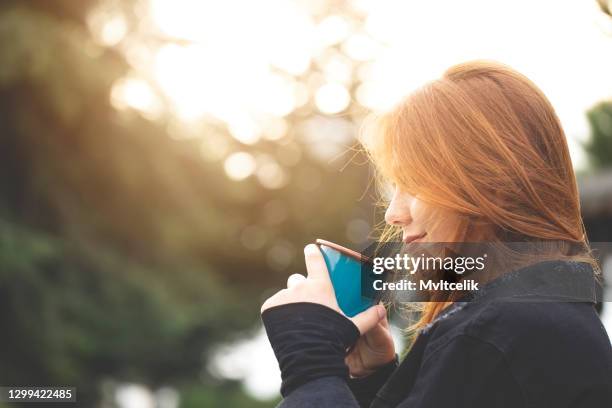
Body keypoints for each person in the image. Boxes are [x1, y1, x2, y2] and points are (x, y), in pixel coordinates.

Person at [261, 61, 612, 407]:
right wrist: (375, 381)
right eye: (395, 185)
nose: (393, 214)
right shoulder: (535, 319)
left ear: (492, 183)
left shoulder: (496, 333)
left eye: (414, 183)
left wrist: (311, 371)